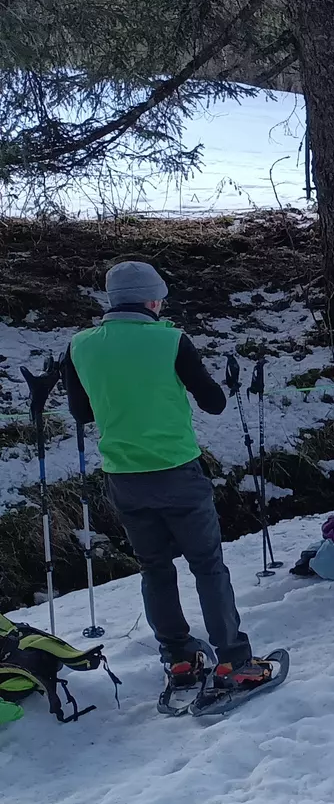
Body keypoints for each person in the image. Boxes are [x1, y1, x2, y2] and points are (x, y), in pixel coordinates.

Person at [63, 260, 279, 696]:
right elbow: (214, 403)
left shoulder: (79, 346)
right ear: (152, 300)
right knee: (207, 567)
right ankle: (234, 662)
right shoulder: (171, 340)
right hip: (177, 471)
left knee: (154, 568)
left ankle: (179, 658)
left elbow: (82, 413)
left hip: (123, 476)